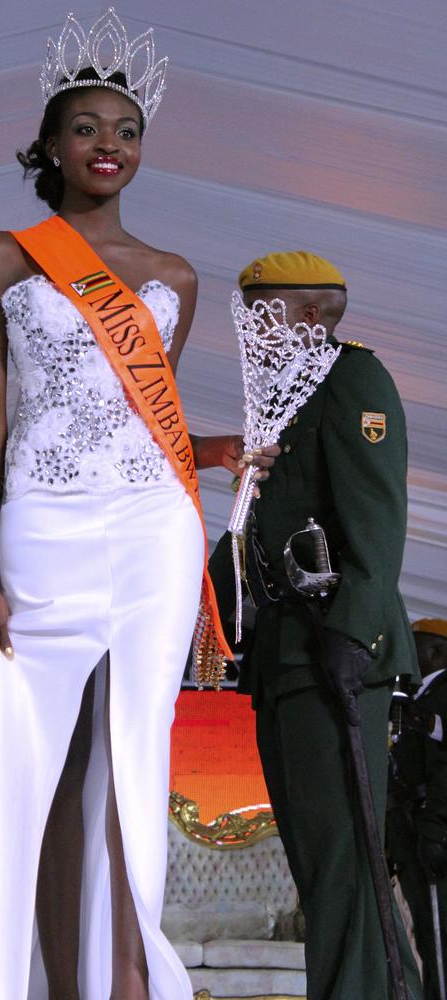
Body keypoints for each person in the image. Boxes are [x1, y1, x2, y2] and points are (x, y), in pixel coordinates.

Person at [0, 10, 277, 1000]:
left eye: (126, 130)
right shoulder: (5, 254)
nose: (108, 145)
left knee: (132, 760)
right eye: (86, 128)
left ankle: (121, 976)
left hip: (150, 530)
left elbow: (134, 426)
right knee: (32, 763)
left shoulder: (175, 279)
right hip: (41, 530)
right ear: (51, 146)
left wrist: (209, 450)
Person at [209, 251, 423, 1000]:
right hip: (286, 653)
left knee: (342, 861)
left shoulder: (350, 380)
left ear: (304, 314)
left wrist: (351, 631)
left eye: (259, 312)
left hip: (334, 648)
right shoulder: (279, 397)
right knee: (324, 860)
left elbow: (377, 519)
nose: (249, 329)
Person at [388, 617, 447, 1000]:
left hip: (432, 827)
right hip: (413, 824)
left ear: (437, 650)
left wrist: (436, 832)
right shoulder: (419, 696)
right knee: (426, 936)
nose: (408, 655)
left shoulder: (443, 691)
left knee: (439, 936)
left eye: (416, 645)